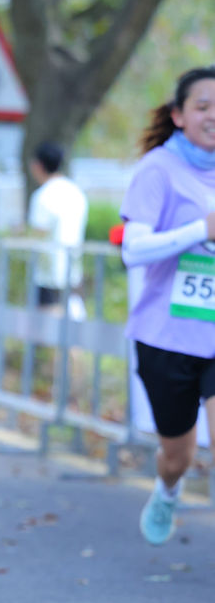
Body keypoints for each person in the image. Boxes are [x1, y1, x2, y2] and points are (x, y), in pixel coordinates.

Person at [121, 66, 215, 545]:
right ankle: (168, 488)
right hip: (167, 337)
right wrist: (201, 230)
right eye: (204, 106)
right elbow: (133, 250)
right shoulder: (158, 169)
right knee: (178, 455)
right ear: (179, 115)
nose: (213, 116)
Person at [27, 141, 89, 311]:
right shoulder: (76, 192)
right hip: (73, 271)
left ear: (38, 165)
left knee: (48, 323)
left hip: (48, 275)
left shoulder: (43, 195)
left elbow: (38, 233)